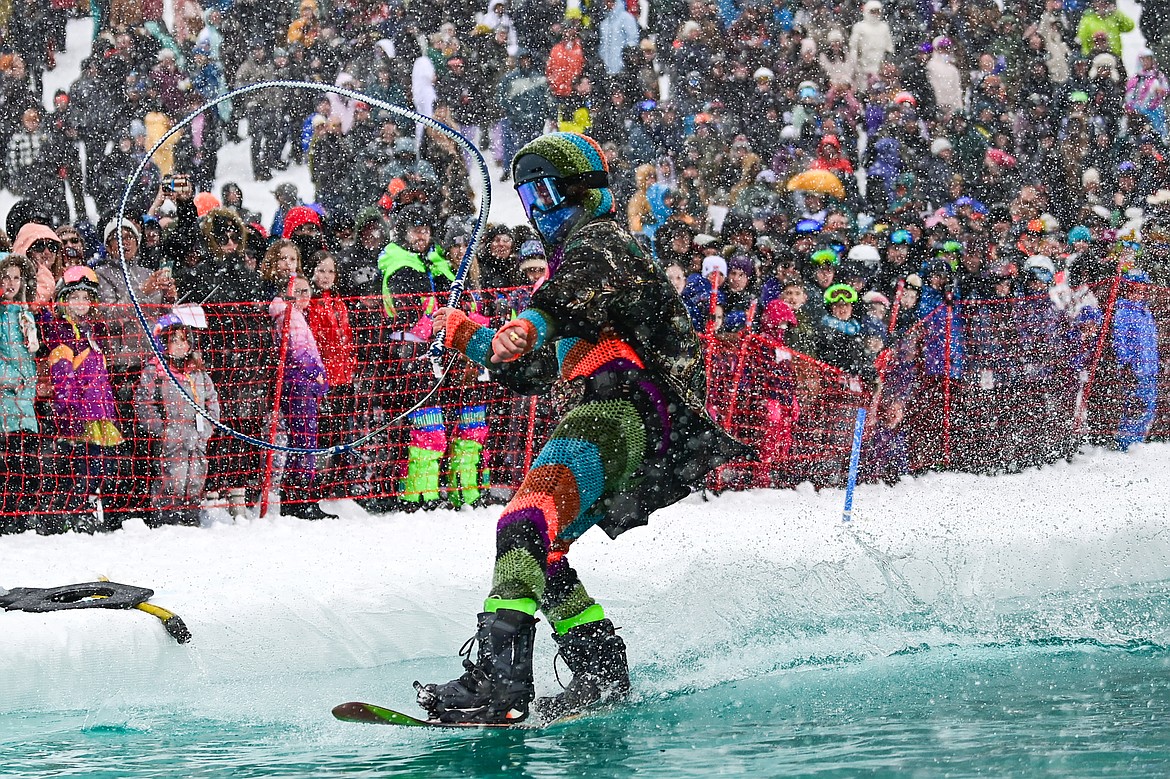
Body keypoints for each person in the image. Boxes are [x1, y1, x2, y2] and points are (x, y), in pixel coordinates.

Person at [423, 131, 749, 725]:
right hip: (621, 413)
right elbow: (532, 370)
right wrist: (463, 333)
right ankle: (600, 667)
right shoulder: (571, 273)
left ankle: (501, 680)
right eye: (527, 198)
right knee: (541, 550)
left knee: (524, 520)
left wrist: (527, 320)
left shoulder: (602, 243)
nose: (538, 210)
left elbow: (569, 294)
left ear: (585, 191)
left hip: (628, 406)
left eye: (547, 192)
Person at [38, 266, 124, 534]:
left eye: (85, 297)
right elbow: (64, 383)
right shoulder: (62, 336)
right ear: (64, 300)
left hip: (100, 415)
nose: (81, 303)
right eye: (74, 297)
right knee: (81, 469)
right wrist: (69, 413)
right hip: (78, 417)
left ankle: (88, 508)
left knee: (103, 469)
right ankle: (74, 513)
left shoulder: (93, 334)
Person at [135, 313, 221, 527]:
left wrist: (209, 426)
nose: (180, 345)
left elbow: (211, 398)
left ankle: (191, 512)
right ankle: (166, 516)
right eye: (174, 341)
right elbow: (143, 401)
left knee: (196, 475)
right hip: (171, 436)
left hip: (196, 436)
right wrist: (160, 428)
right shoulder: (156, 370)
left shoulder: (198, 371)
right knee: (172, 476)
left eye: (183, 340)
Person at [269, 275, 337, 520]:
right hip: (301, 385)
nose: (305, 296)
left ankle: (297, 497)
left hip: (298, 384)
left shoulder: (293, 315)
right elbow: (299, 352)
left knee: (303, 441)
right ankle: (300, 498)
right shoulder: (291, 316)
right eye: (299, 291)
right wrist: (317, 374)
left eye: (307, 291)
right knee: (305, 441)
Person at [0, 254, 39, 530]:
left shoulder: (26, 314)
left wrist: (31, 383)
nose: (11, 282)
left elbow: (31, 357)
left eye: (16, 277)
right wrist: (13, 378)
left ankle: (22, 517)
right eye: (6, 277)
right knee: (6, 465)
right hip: (4, 402)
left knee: (26, 465)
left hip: (25, 404)